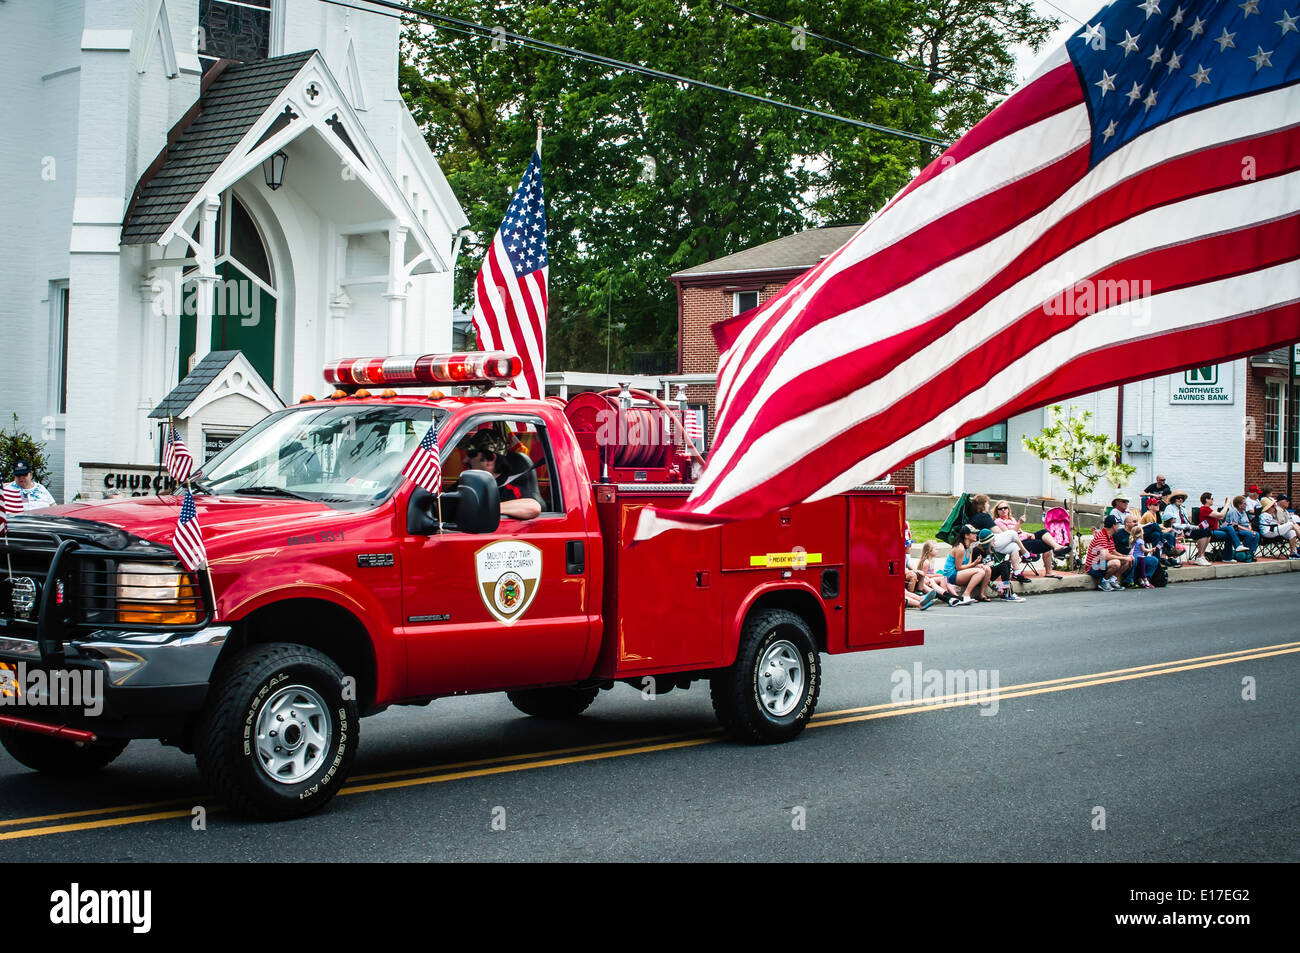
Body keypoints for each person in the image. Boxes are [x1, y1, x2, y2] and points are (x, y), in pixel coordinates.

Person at [461, 430, 542, 520]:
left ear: (490, 459)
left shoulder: (509, 489)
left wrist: (487, 508)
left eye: (471, 454)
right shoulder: (464, 484)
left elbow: (533, 507)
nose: (465, 460)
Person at [992, 500, 1068, 573]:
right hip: (1019, 544)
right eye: (1000, 509)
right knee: (1046, 543)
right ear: (997, 511)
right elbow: (1009, 535)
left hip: (1025, 538)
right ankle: (1049, 570)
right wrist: (1020, 522)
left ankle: (1057, 547)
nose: (1003, 510)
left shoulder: (1012, 519)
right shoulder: (998, 521)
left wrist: (1028, 534)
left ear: (1008, 509)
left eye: (1005, 508)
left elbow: (1020, 531)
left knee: (1044, 532)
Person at [942, 525, 993, 606]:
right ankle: (966, 594)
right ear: (966, 535)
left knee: (986, 568)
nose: (976, 535)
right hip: (951, 575)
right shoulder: (960, 548)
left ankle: (981, 594)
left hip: (960, 573)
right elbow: (959, 568)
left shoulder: (970, 547)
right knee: (980, 572)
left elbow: (968, 565)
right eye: (973, 533)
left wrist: (976, 565)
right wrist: (974, 564)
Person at [974, 528, 1025, 601]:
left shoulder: (991, 549)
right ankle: (1008, 593)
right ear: (987, 541)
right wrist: (996, 588)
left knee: (1007, 563)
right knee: (1003, 566)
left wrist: (998, 587)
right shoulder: (977, 551)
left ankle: (1006, 591)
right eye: (992, 539)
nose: (994, 541)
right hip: (981, 577)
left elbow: (994, 565)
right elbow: (979, 570)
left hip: (989, 575)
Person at [1085, 515, 1133, 591]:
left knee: (1127, 561)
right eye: (1117, 524)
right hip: (1093, 567)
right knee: (1116, 563)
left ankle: (1112, 580)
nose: (1118, 526)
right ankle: (1104, 581)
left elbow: (1113, 551)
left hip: (1102, 564)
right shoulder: (1102, 537)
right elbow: (1106, 556)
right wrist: (1123, 557)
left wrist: (1126, 556)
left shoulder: (1109, 536)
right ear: (1113, 526)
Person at [1118, 513, 1159, 588]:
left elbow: (1143, 549)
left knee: (1154, 560)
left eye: (1137, 521)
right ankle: (1129, 581)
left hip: (1139, 557)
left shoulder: (1138, 534)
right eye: (1134, 521)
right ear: (1127, 523)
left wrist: (1147, 551)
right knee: (1134, 558)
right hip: (1125, 558)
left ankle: (1144, 580)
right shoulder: (1119, 534)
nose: (1136, 524)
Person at [1190, 492, 1230, 565]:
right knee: (1229, 534)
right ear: (1206, 500)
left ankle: (1231, 554)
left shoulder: (1210, 509)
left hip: (1214, 530)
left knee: (1229, 529)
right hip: (1210, 531)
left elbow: (1220, 517)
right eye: (1211, 499)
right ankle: (1228, 556)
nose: (1213, 500)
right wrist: (1227, 504)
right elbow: (1221, 516)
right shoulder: (1205, 509)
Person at [1222, 494, 1258, 561]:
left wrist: (1250, 529)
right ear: (1239, 505)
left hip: (1244, 529)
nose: (1246, 505)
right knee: (1249, 534)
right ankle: (1244, 553)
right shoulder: (1234, 512)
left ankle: (1250, 553)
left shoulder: (1244, 512)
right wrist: (1248, 531)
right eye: (1244, 504)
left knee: (1256, 534)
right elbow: (1235, 526)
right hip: (1235, 531)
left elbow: (1247, 523)